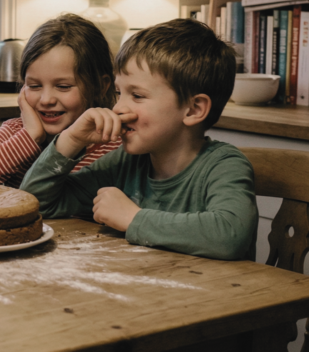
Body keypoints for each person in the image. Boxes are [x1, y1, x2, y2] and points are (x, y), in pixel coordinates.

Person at [20, 19, 258, 260]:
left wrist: (132, 218)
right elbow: (36, 206)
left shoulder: (223, 165)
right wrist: (71, 140)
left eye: (137, 95)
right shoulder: (124, 163)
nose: (119, 108)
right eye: (118, 93)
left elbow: (230, 236)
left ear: (193, 109)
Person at [0, 14, 120, 187]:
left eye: (63, 86)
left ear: (100, 86)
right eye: (34, 86)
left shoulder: (113, 144)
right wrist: (30, 136)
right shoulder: (16, 131)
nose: (46, 100)